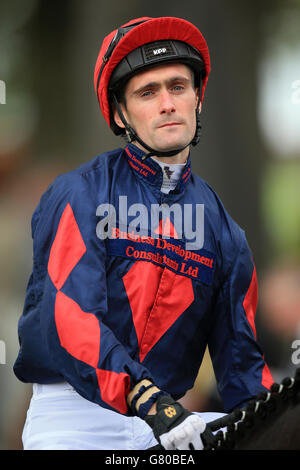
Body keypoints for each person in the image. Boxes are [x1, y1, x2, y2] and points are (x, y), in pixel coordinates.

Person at [13, 16, 274, 451]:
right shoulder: (79, 193)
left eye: (178, 86)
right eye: (147, 93)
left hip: (177, 422)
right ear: (121, 113)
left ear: (198, 98)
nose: (167, 103)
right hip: (78, 416)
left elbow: (243, 368)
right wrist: (149, 401)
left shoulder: (226, 232)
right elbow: (71, 318)